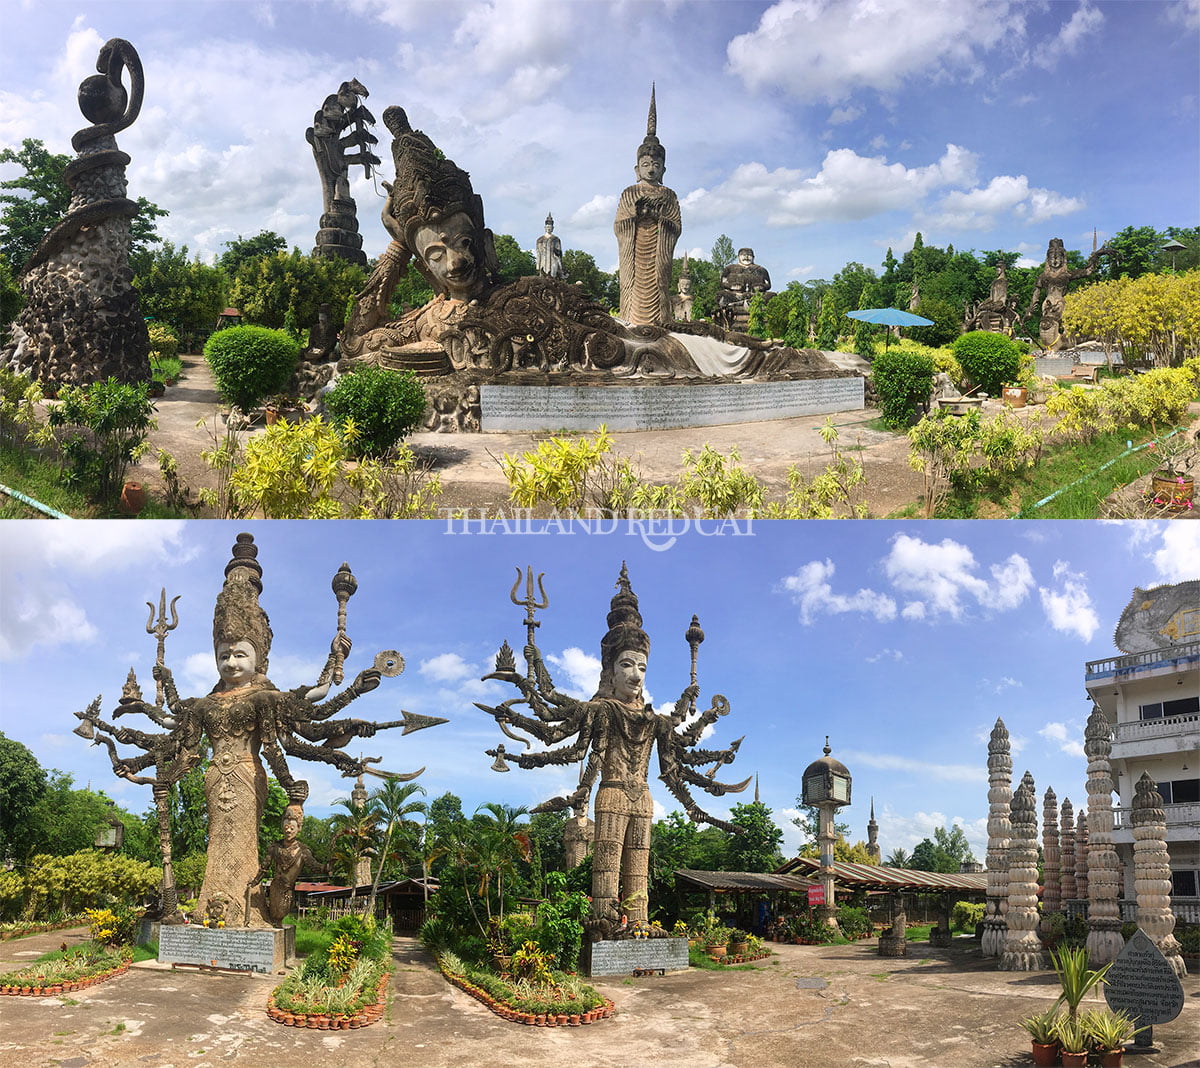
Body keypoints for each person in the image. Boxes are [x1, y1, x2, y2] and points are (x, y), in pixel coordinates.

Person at [479, 565, 747, 932]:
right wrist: (534, 669)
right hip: (612, 795)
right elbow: (555, 719)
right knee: (605, 868)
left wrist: (700, 713)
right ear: (611, 669)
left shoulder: (655, 721)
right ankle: (603, 922)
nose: (635, 675)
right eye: (627, 665)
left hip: (644, 798)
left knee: (639, 871)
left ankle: (638, 922)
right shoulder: (600, 710)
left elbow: (678, 757)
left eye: (642, 667)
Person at [613, 86, 681, 327]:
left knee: (659, 284)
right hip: (633, 252)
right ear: (637, 168)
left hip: (657, 256)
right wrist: (636, 215)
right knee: (631, 287)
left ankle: (660, 324)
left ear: (663, 168)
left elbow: (675, 226)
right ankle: (629, 320)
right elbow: (620, 225)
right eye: (645, 164)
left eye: (655, 164)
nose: (651, 168)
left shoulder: (669, 195)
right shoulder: (630, 192)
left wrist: (660, 218)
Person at [258, 804, 323, 925]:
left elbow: (315, 867)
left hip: (288, 889)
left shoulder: (303, 851)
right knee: (274, 914)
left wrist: (328, 867)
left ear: (299, 828)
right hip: (275, 887)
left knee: (281, 913)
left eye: (292, 828)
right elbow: (264, 866)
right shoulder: (275, 847)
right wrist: (255, 881)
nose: (288, 830)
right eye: (286, 827)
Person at [536, 213, 566, 279]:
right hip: (543, 261)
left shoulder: (556, 239)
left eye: (550, 227)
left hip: (553, 260)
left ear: (553, 228)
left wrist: (560, 266)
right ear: (545, 227)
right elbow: (538, 253)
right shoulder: (540, 240)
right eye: (547, 227)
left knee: (552, 277)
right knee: (543, 279)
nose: (548, 228)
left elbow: (559, 253)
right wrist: (538, 265)